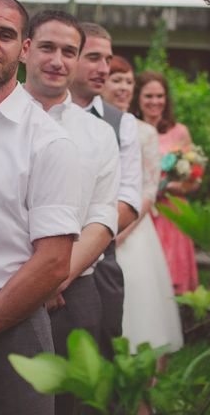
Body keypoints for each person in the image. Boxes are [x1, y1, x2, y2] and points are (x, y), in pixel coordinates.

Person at [0, 0, 81, 415]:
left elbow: (53, 262)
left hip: (10, 331)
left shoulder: (47, 141)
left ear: (23, 48)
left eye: (5, 34)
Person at [22, 9, 120, 415]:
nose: (58, 60)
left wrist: (50, 281)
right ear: (26, 49)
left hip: (72, 294)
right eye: (47, 47)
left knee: (74, 406)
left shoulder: (98, 133)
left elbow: (102, 219)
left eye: (69, 51)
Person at [69, 22, 142, 360]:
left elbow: (127, 203)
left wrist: (69, 262)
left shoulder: (121, 123)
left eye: (108, 59)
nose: (104, 69)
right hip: (24, 264)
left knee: (97, 372)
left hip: (100, 267)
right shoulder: (35, 114)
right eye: (93, 57)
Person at [103, 56, 183, 353]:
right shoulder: (89, 124)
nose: (123, 87)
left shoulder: (145, 132)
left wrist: (120, 232)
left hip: (133, 230)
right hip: (93, 225)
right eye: (117, 79)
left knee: (139, 311)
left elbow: (149, 188)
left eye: (128, 81)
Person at [131, 71, 198, 295]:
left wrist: (171, 186)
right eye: (148, 96)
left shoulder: (179, 132)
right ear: (138, 98)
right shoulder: (130, 128)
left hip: (172, 213)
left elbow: (194, 179)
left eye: (160, 96)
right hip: (141, 211)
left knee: (172, 279)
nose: (155, 102)